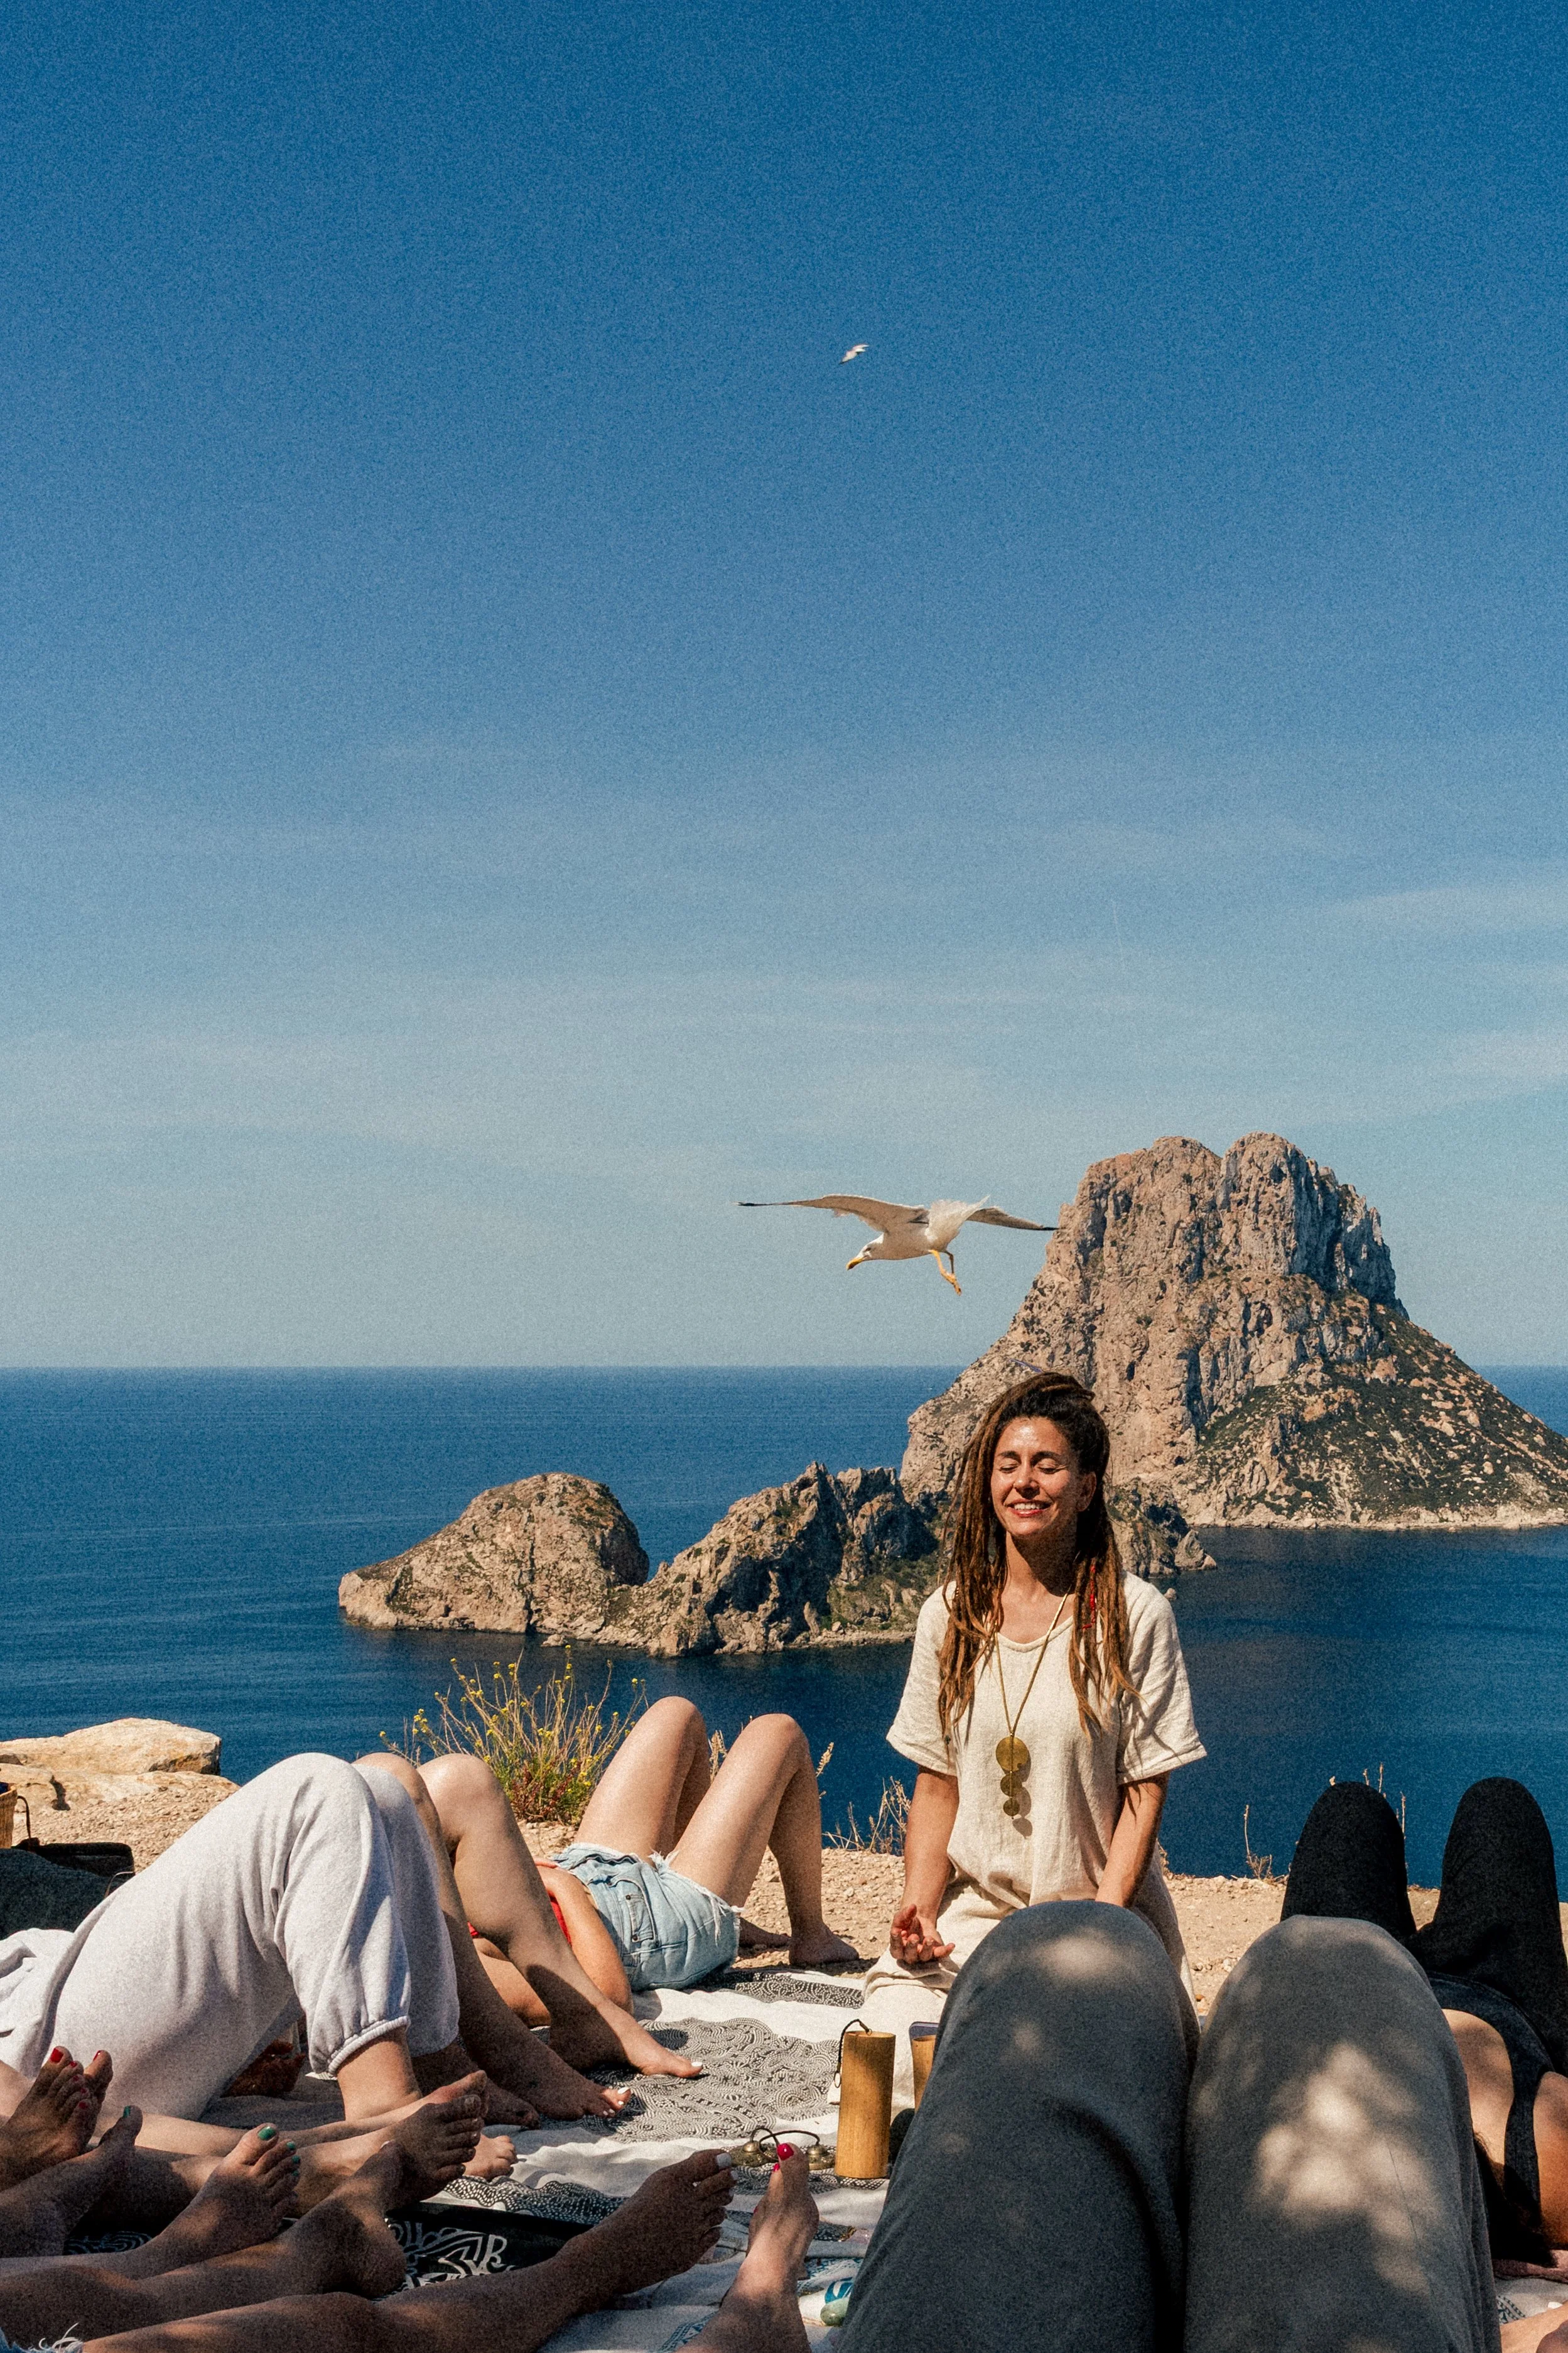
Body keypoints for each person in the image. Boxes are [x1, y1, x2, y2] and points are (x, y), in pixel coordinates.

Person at [861, 1373, 1205, 2079]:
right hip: (977, 1916)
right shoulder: (950, 1614)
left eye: (1047, 1465)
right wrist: (918, 1909)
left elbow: (1145, 1794)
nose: (1025, 1482)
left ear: (1086, 1487)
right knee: (888, 2058)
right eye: (1008, 1464)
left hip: (1096, 1918)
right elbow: (936, 1783)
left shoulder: (1134, 1616)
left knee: (1063, 2065)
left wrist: (1104, 1929)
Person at [0, 1753, 629, 2139]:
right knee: (313, 1795)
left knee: (381, 1795)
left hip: (40, 1978)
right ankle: (385, 2104)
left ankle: (438, 2053)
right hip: (38, 2048)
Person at [373, 1700, 855, 2026]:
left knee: (676, 1713)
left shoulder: (377, 1900)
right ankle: (806, 1934)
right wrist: (565, 1892)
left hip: (591, 1871)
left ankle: (717, 1894)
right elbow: (603, 1994)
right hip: (650, 1930)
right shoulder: (422, 1968)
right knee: (778, 1732)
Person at [1282, 1774, 1568, 2262]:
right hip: (1490, 1992)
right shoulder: (1537, 2175)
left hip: (1353, 1987)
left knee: (1348, 1811)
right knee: (1497, 1805)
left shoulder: (1291, 2174)